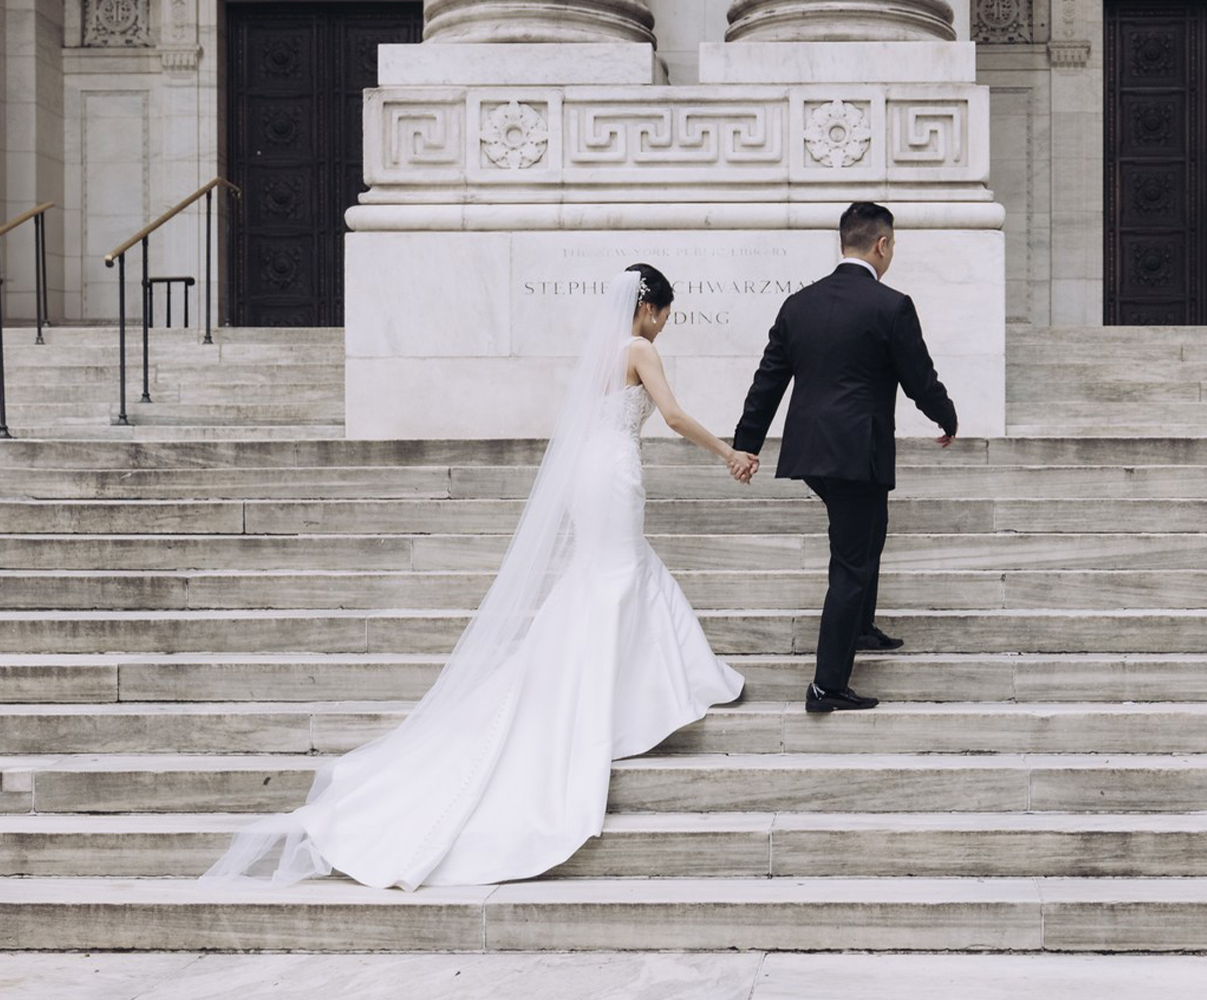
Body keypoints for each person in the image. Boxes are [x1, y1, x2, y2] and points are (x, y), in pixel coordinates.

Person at [202, 263, 753, 891]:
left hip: (587, 474)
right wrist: (728, 451)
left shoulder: (601, 352)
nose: (663, 328)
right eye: (664, 316)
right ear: (648, 307)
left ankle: (638, 684)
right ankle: (635, 692)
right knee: (619, 571)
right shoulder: (636, 348)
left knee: (609, 572)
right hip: (615, 472)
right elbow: (675, 417)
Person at [732, 201, 960, 714]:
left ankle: (860, 627)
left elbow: (768, 379)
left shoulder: (799, 304)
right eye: (893, 244)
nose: (892, 252)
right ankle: (826, 684)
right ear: (882, 245)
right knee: (852, 560)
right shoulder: (892, 305)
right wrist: (945, 416)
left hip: (813, 450)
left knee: (868, 533)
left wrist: (748, 442)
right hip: (857, 450)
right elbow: (918, 376)